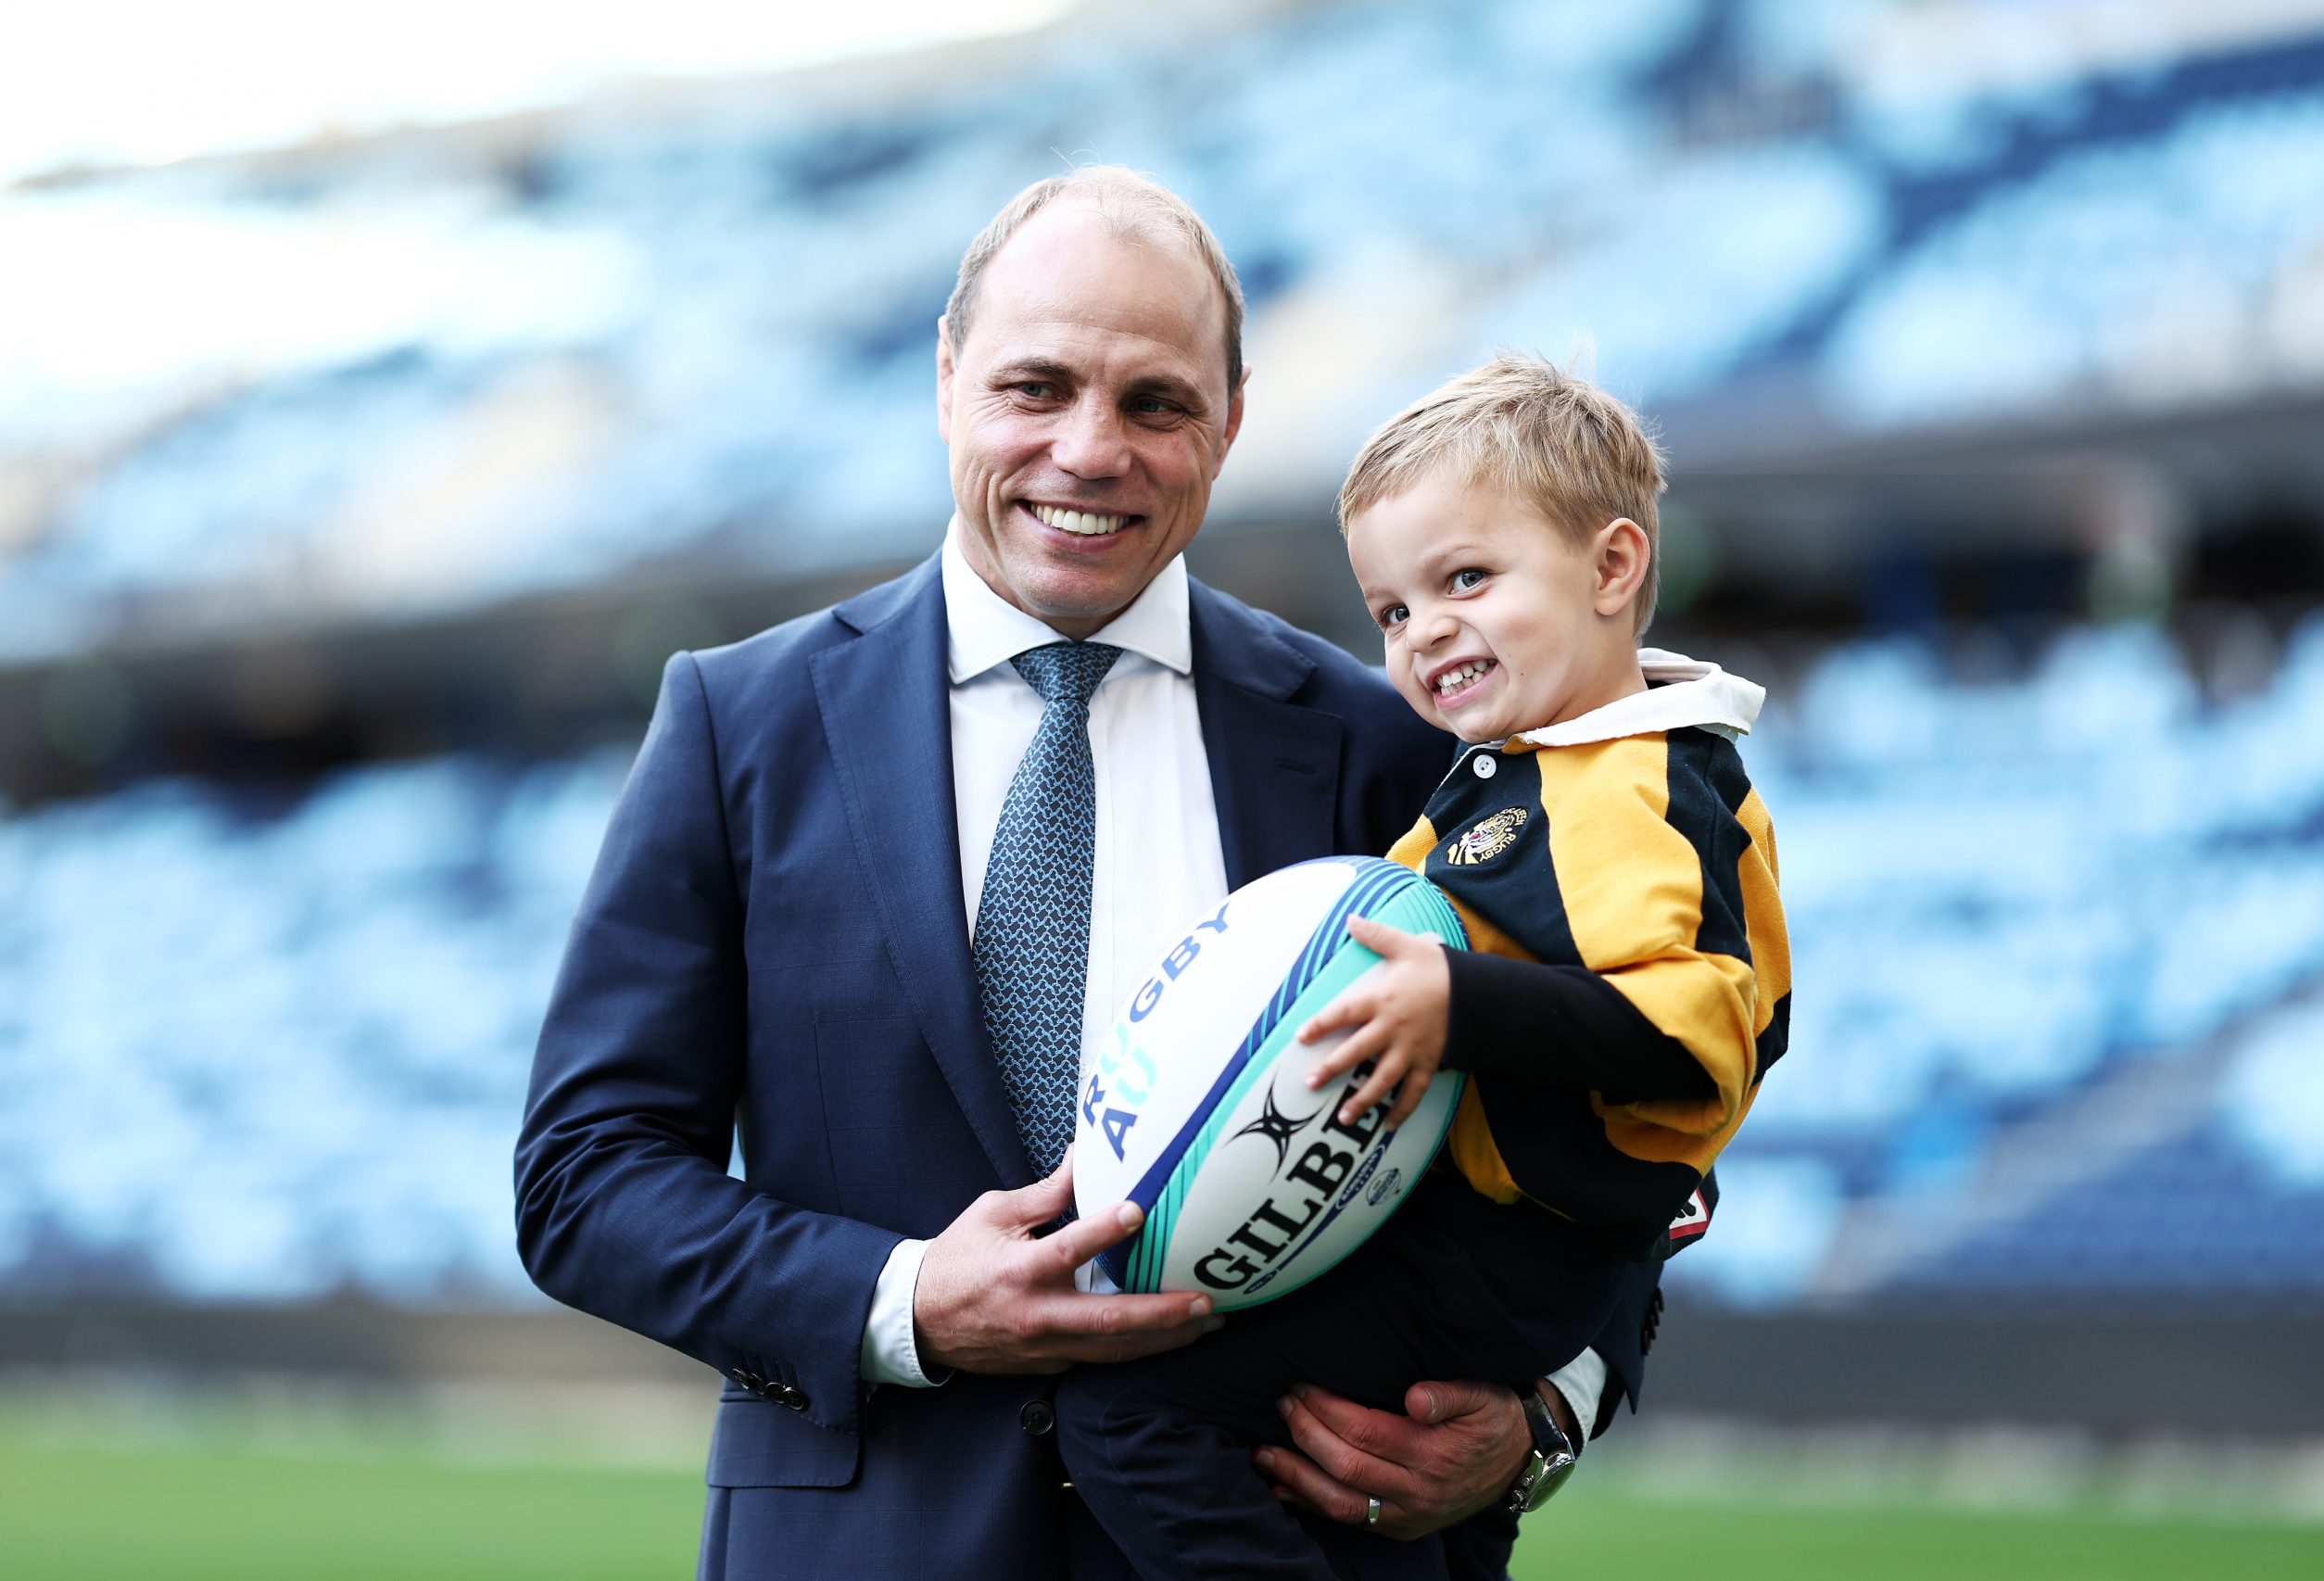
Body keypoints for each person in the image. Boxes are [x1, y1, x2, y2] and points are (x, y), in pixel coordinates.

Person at [514, 170, 1670, 1581]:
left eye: (1155, 404)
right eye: (1036, 386)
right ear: (948, 383)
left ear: (1232, 421)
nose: (1089, 448)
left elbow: (1623, 1102)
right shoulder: (736, 724)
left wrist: (1546, 1411)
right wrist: (905, 1297)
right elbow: (586, 1176)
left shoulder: (1396, 737)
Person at [1055, 354, 1790, 1578]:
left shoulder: (1640, 786)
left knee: (1128, 1409)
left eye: (1466, 579)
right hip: (1468, 1235)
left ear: (1613, 568)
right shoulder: (1511, 775)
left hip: (1508, 1249)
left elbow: (1690, 1035)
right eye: (1393, 610)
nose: (1424, 631)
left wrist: (1458, 1004)